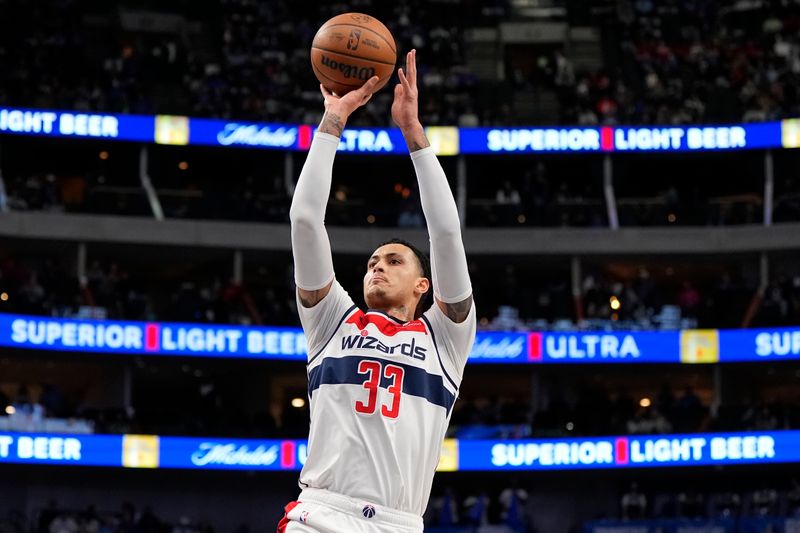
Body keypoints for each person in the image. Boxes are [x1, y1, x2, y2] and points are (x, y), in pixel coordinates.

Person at [279, 49, 476, 533]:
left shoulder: (445, 340)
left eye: (393, 261)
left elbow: (446, 235)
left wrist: (414, 134)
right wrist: (332, 122)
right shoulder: (333, 322)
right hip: (321, 514)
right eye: (371, 263)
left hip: (398, 524)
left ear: (423, 285)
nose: (376, 268)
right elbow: (305, 221)